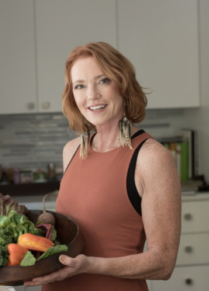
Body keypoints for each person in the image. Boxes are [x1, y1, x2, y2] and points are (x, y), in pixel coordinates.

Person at [24, 42, 181, 291]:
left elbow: (163, 263)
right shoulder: (72, 150)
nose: (91, 95)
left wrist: (90, 266)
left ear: (123, 84)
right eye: (80, 86)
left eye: (103, 80)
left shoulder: (151, 157)